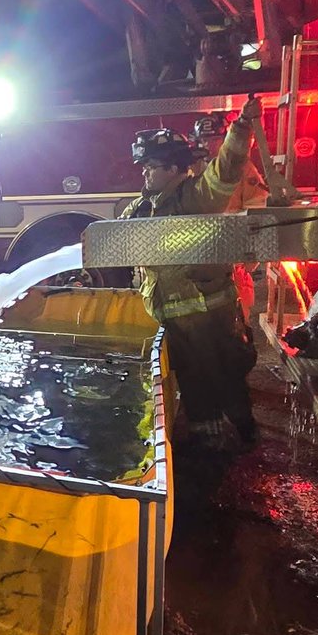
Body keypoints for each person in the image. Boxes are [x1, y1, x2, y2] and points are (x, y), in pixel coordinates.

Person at [120, 97, 263, 448]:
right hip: (172, 318)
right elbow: (116, 238)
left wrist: (241, 130)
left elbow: (226, 170)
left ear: (173, 168)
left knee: (224, 377)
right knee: (193, 379)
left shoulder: (195, 198)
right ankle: (209, 446)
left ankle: (242, 439)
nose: (144, 172)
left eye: (151, 166)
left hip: (208, 316)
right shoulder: (143, 206)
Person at [191, 113, 269, 320]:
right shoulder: (194, 170)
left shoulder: (243, 169)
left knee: (237, 312)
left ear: (225, 139)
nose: (209, 145)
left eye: (215, 139)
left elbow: (257, 207)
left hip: (233, 253)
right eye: (204, 140)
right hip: (202, 254)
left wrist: (250, 252)